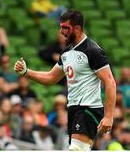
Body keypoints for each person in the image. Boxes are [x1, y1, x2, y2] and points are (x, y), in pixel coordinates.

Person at [14, 10, 116, 151]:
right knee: (80, 149)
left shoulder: (92, 51)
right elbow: (51, 78)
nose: (62, 31)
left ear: (78, 29)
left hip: (88, 108)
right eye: (61, 27)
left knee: (76, 149)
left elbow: (110, 82)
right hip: (73, 109)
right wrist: (26, 72)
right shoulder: (66, 53)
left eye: (66, 28)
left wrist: (109, 116)